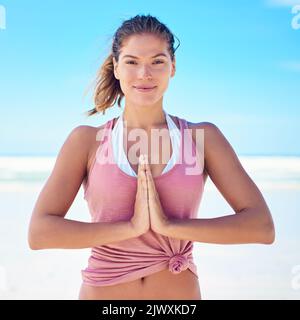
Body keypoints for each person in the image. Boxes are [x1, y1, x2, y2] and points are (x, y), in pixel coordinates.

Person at [28, 14, 275, 300]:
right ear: (116, 68)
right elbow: (40, 232)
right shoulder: (86, 141)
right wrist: (130, 228)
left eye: (157, 61)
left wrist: (169, 226)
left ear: (173, 68)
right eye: (132, 62)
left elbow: (261, 226)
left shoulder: (202, 138)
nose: (144, 74)